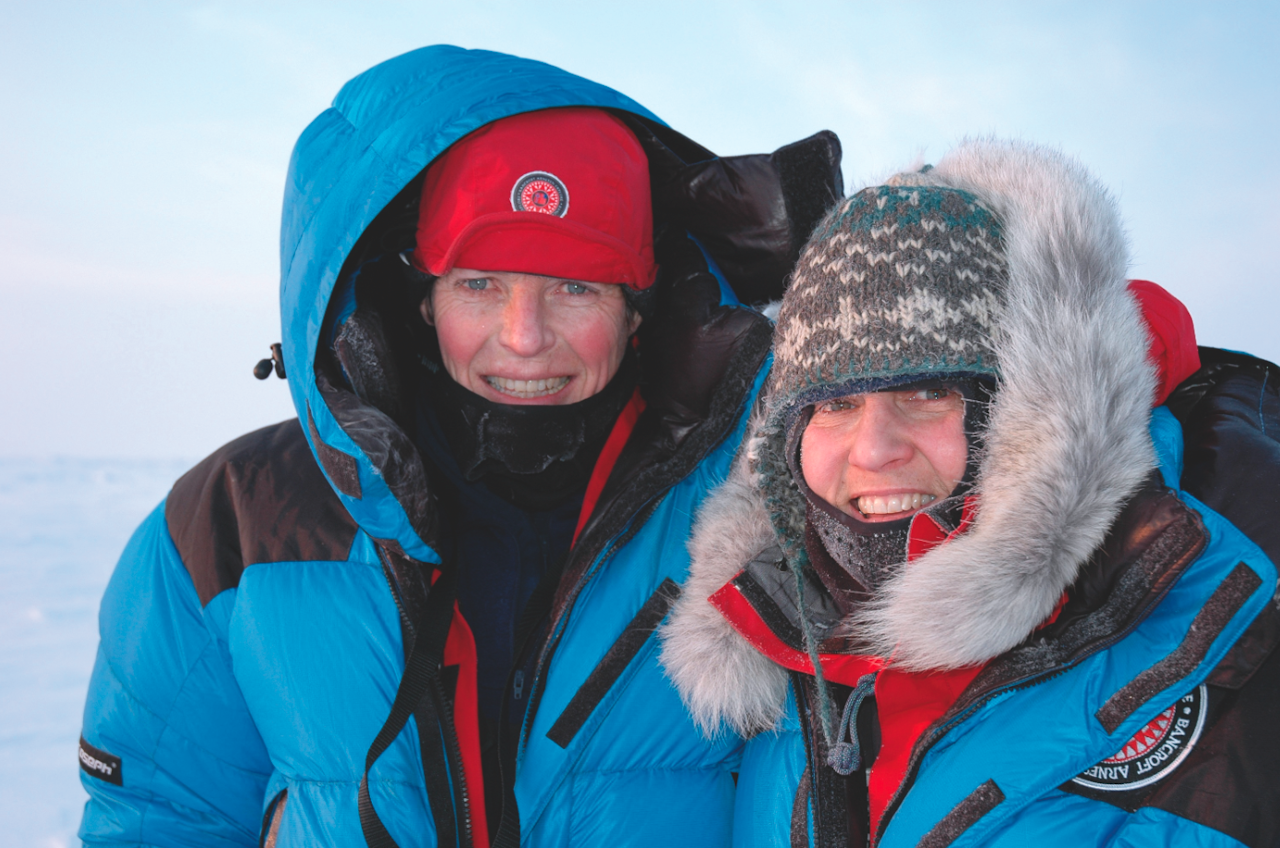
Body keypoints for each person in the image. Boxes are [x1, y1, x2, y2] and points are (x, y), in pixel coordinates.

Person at [77, 46, 845, 846]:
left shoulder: (762, 512)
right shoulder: (236, 525)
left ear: (637, 310)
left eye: (575, 286)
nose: (524, 337)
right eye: (481, 284)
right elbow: (160, 816)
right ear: (422, 299)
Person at [661, 139, 1280, 847]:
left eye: (929, 392)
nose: (874, 449)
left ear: (1022, 415)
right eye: (835, 405)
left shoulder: (1214, 611)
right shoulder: (778, 637)